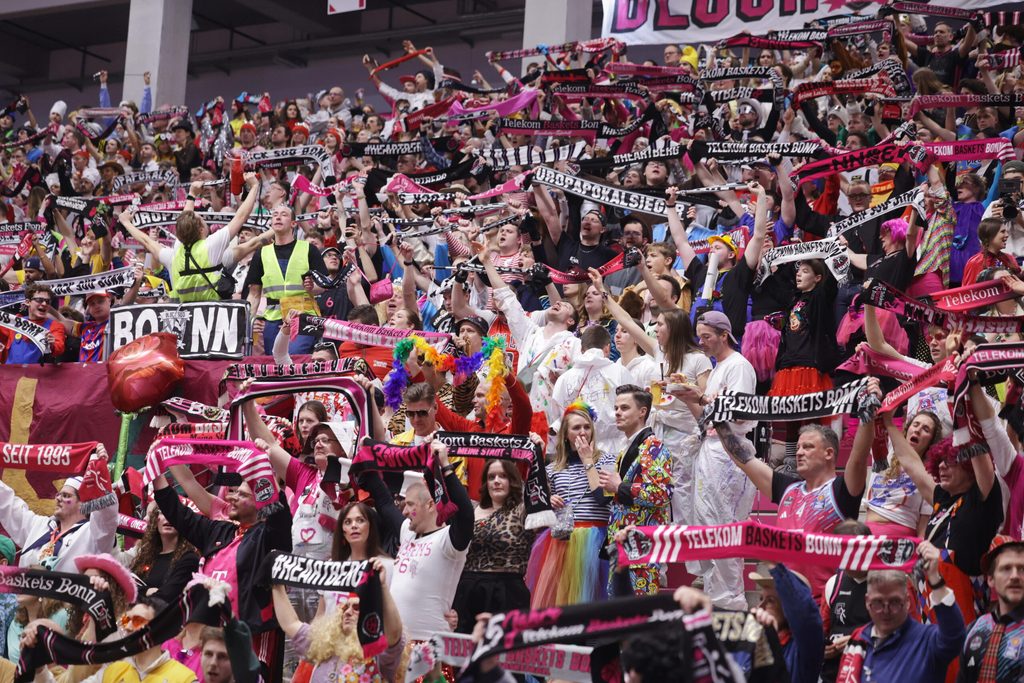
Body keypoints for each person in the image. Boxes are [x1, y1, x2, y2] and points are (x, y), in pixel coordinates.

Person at [152, 470, 292, 682]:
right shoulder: (219, 531)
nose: (232, 497)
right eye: (234, 492)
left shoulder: (269, 538)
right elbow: (179, 514)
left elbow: (280, 519)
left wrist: (264, 470)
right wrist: (156, 474)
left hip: (249, 636)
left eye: (243, 495)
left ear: (262, 503)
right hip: (209, 635)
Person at [715, 415, 870, 600]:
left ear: (829, 453)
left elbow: (859, 458)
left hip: (827, 602)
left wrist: (867, 416)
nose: (799, 453)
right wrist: (717, 421)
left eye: (808, 447)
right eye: (797, 447)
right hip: (786, 600)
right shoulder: (788, 489)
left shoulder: (841, 491)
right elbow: (743, 458)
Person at [667, 310, 757, 609]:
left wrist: (702, 397)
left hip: (729, 453)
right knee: (706, 520)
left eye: (707, 337)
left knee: (724, 521)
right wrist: (688, 399)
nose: (702, 342)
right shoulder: (719, 368)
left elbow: (741, 413)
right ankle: (715, 593)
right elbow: (708, 419)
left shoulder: (739, 366)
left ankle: (731, 598)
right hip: (710, 448)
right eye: (700, 337)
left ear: (724, 335)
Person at [527, 401, 616, 608]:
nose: (583, 432)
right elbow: (536, 508)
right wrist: (547, 501)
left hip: (596, 540)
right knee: (562, 603)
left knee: (593, 602)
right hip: (562, 541)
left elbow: (602, 497)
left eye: (587, 427)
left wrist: (587, 460)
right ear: (566, 435)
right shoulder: (553, 469)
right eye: (576, 428)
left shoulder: (607, 461)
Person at [835, 542, 966, 683]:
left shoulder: (926, 640)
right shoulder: (859, 639)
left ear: (908, 600)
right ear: (867, 601)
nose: (886, 611)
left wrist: (935, 578)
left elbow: (954, 637)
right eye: (878, 602)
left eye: (894, 602)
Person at [119, 174, 260, 301]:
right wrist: (254, 187)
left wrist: (126, 222)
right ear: (200, 229)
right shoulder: (211, 245)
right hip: (212, 318)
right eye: (201, 219)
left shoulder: (175, 252)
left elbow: (146, 241)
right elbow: (241, 216)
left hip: (183, 319)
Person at [271, 558, 405, 683]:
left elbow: (394, 634)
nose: (347, 612)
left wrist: (382, 587)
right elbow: (290, 623)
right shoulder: (326, 645)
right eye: (345, 607)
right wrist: (276, 584)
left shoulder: (377, 651)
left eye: (356, 608)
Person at [25, 597, 197, 683]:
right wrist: (39, 667)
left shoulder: (184, 678)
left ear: (160, 629)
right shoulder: (114, 669)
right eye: (125, 620)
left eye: (136, 620)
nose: (128, 627)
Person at [0, 445, 115, 572]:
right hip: (25, 591)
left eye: (66, 496)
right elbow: (7, 503)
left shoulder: (93, 534)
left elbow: (107, 516)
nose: (58, 499)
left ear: (83, 504)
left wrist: (99, 469)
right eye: (58, 494)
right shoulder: (39, 526)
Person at [452, 459, 535, 633]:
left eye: (503, 476)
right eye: (491, 477)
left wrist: (537, 457)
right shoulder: (472, 509)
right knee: (465, 654)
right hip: (468, 592)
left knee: (505, 655)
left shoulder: (524, 509)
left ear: (512, 480)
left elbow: (540, 489)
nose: (496, 481)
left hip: (507, 593)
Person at [602, 385, 671, 596]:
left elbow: (661, 494)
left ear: (642, 412)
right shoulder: (629, 448)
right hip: (623, 544)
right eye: (616, 408)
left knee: (639, 613)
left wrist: (620, 487)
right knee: (621, 615)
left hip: (641, 544)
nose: (617, 412)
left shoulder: (654, 446)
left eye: (624, 407)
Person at [245, 203, 328, 354]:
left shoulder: (309, 249)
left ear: (293, 224)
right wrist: (250, 321)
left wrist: (311, 287)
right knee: (276, 362)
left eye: (284, 214)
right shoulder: (261, 254)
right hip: (272, 318)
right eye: (275, 214)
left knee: (295, 358)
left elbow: (323, 286)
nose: (278, 217)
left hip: (303, 315)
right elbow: (254, 294)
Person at [550, 325, 634, 456]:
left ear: (581, 349)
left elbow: (558, 417)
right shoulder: (620, 372)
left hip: (577, 450)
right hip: (616, 451)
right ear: (607, 348)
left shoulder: (564, 379)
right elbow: (632, 411)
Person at [959, 535, 1024, 682]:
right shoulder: (973, 629)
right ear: (990, 579)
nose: (1015, 576)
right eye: (1006, 568)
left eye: (1022, 569)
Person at [748, 562, 824, 683]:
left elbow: (804, 614)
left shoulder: (803, 649)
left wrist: (772, 563)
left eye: (771, 601)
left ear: (789, 609)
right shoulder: (753, 642)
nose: (760, 606)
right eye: (761, 599)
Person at [125, 504, 200, 604]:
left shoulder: (189, 559)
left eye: (173, 514)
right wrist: (146, 591)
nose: (168, 517)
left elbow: (166, 597)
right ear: (155, 520)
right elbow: (127, 589)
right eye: (163, 512)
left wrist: (140, 591)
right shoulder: (146, 555)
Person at [2, 284, 65, 364]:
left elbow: (59, 349)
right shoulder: (15, 322)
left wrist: (52, 344)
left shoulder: (55, 326)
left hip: (38, 375)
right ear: (28, 302)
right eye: (39, 300)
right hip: (11, 375)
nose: (44, 304)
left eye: (47, 301)